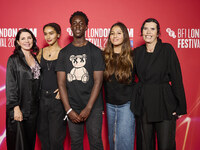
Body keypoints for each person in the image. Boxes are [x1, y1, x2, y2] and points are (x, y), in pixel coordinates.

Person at [130, 18, 187, 150]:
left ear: (158, 33)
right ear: (141, 32)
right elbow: (131, 79)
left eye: (152, 29)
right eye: (145, 29)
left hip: (165, 103)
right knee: (144, 145)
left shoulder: (167, 50)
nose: (148, 32)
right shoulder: (137, 53)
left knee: (166, 145)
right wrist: (137, 98)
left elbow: (177, 78)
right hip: (144, 104)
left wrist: (180, 106)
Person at [56, 11, 105, 150]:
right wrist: (68, 110)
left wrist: (89, 108)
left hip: (93, 106)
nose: (77, 26)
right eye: (74, 23)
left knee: (95, 142)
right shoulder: (64, 53)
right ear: (70, 27)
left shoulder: (95, 51)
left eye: (81, 23)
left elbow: (98, 81)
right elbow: (61, 84)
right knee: (76, 144)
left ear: (86, 27)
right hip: (73, 106)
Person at [6, 28, 40, 150]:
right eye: (23, 38)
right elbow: (11, 84)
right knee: (18, 145)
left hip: (34, 111)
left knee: (29, 144)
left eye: (29, 38)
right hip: (19, 108)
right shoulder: (13, 60)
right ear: (18, 42)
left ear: (33, 40)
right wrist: (15, 107)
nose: (27, 41)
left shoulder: (36, 59)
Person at [103, 22, 135, 150]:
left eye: (118, 33)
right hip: (109, 105)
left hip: (126, 105)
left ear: (125, 36)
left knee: (125, 142)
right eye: (112, 33)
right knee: (113, 141)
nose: (115, 36)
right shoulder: (103, 56)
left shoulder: (133, 56)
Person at [37, 23, 66, 150]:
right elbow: (34, 74)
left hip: (57, 100)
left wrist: (64, 89)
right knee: (43, 136)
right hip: (41, 98)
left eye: (51, 33)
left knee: (56, 138)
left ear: (58, 35)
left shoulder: (64, 53)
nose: (48, 36)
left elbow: (71, 75)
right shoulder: (41, 52)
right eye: (45, 33)